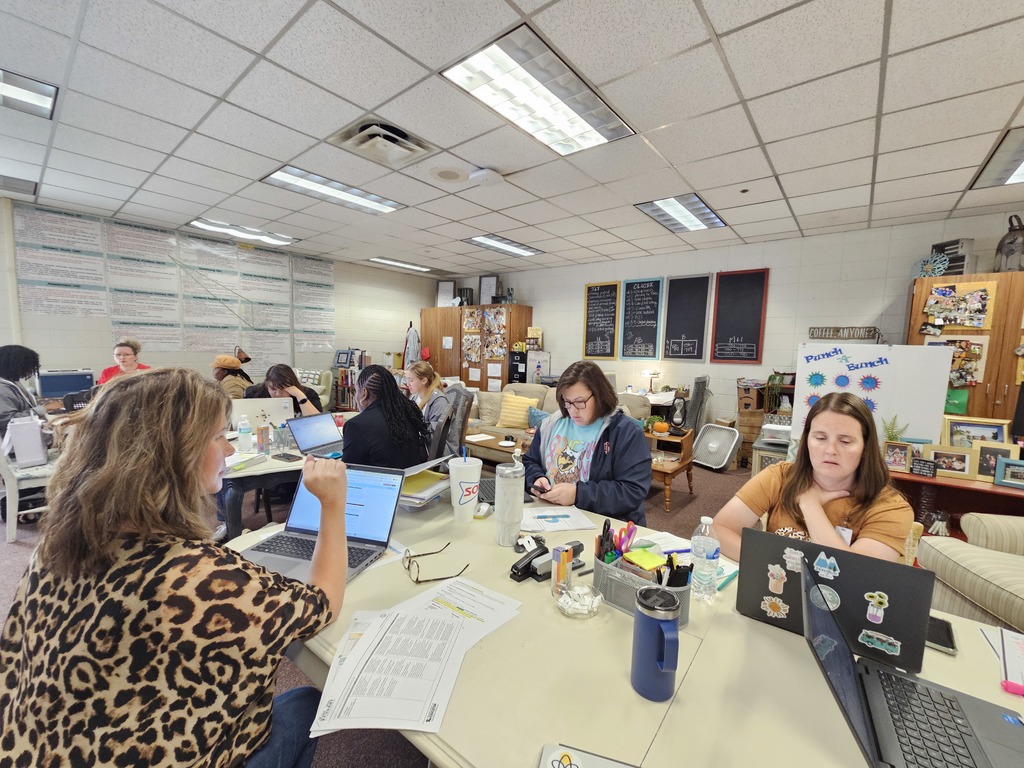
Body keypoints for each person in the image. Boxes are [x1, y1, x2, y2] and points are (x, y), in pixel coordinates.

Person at [0, 368, 347, 768]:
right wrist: (332, 505)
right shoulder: (198, 577)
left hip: (35, 747)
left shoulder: (54, 546)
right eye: (220, 437)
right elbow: (322, 602)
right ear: (178, 453)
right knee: (306, 701)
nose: (230, 451)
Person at [714, 392, 913, 563]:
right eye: (820, 438)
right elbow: (719, 529)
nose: (830, 450)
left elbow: (853, 575)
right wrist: (776, 565)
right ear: (806, 440)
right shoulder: (780, 476)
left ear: (865, 448)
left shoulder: (890, 507)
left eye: (845, 441)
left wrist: (810, 505)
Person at [524, 361, 652, 525]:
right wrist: (536, 478)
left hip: (602, 527)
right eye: (567, 402)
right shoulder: (551, 424)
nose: (573, 410)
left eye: (580, 402)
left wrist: (578, 495)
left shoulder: (626, 433)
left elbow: (632, 491)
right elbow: (530, 461)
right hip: (548, 517)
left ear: (599, 396)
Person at [343, 364, 429, 469]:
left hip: (379, 482)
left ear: (365, 394)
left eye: (356, 391)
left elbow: (348, 471)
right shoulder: (408, 411)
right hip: (412, 480)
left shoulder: (356, 425)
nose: (356, 395)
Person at [0, 344, 49, 439]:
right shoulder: (2, 389)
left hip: (27, 436)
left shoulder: (13, 382)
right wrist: (39, 411)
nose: (30, 371)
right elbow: (9, 420)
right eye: (28, 366)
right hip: (17, 442)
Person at [404, 360, 452, 447]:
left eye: (411, 380)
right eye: (407, 380)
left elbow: (436, 435)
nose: (408, 384)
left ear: (424, 381)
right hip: (419, 445)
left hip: (431, 450)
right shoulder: (414, 398)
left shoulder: (439, 401)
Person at [245, 363, 322, 417]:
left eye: (283, 389)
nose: (278, 394)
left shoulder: (308, 393)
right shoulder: (254, 393)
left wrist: (299, 395)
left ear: (292, 385)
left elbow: (318, 422)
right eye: (273, 389)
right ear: (267, 385)